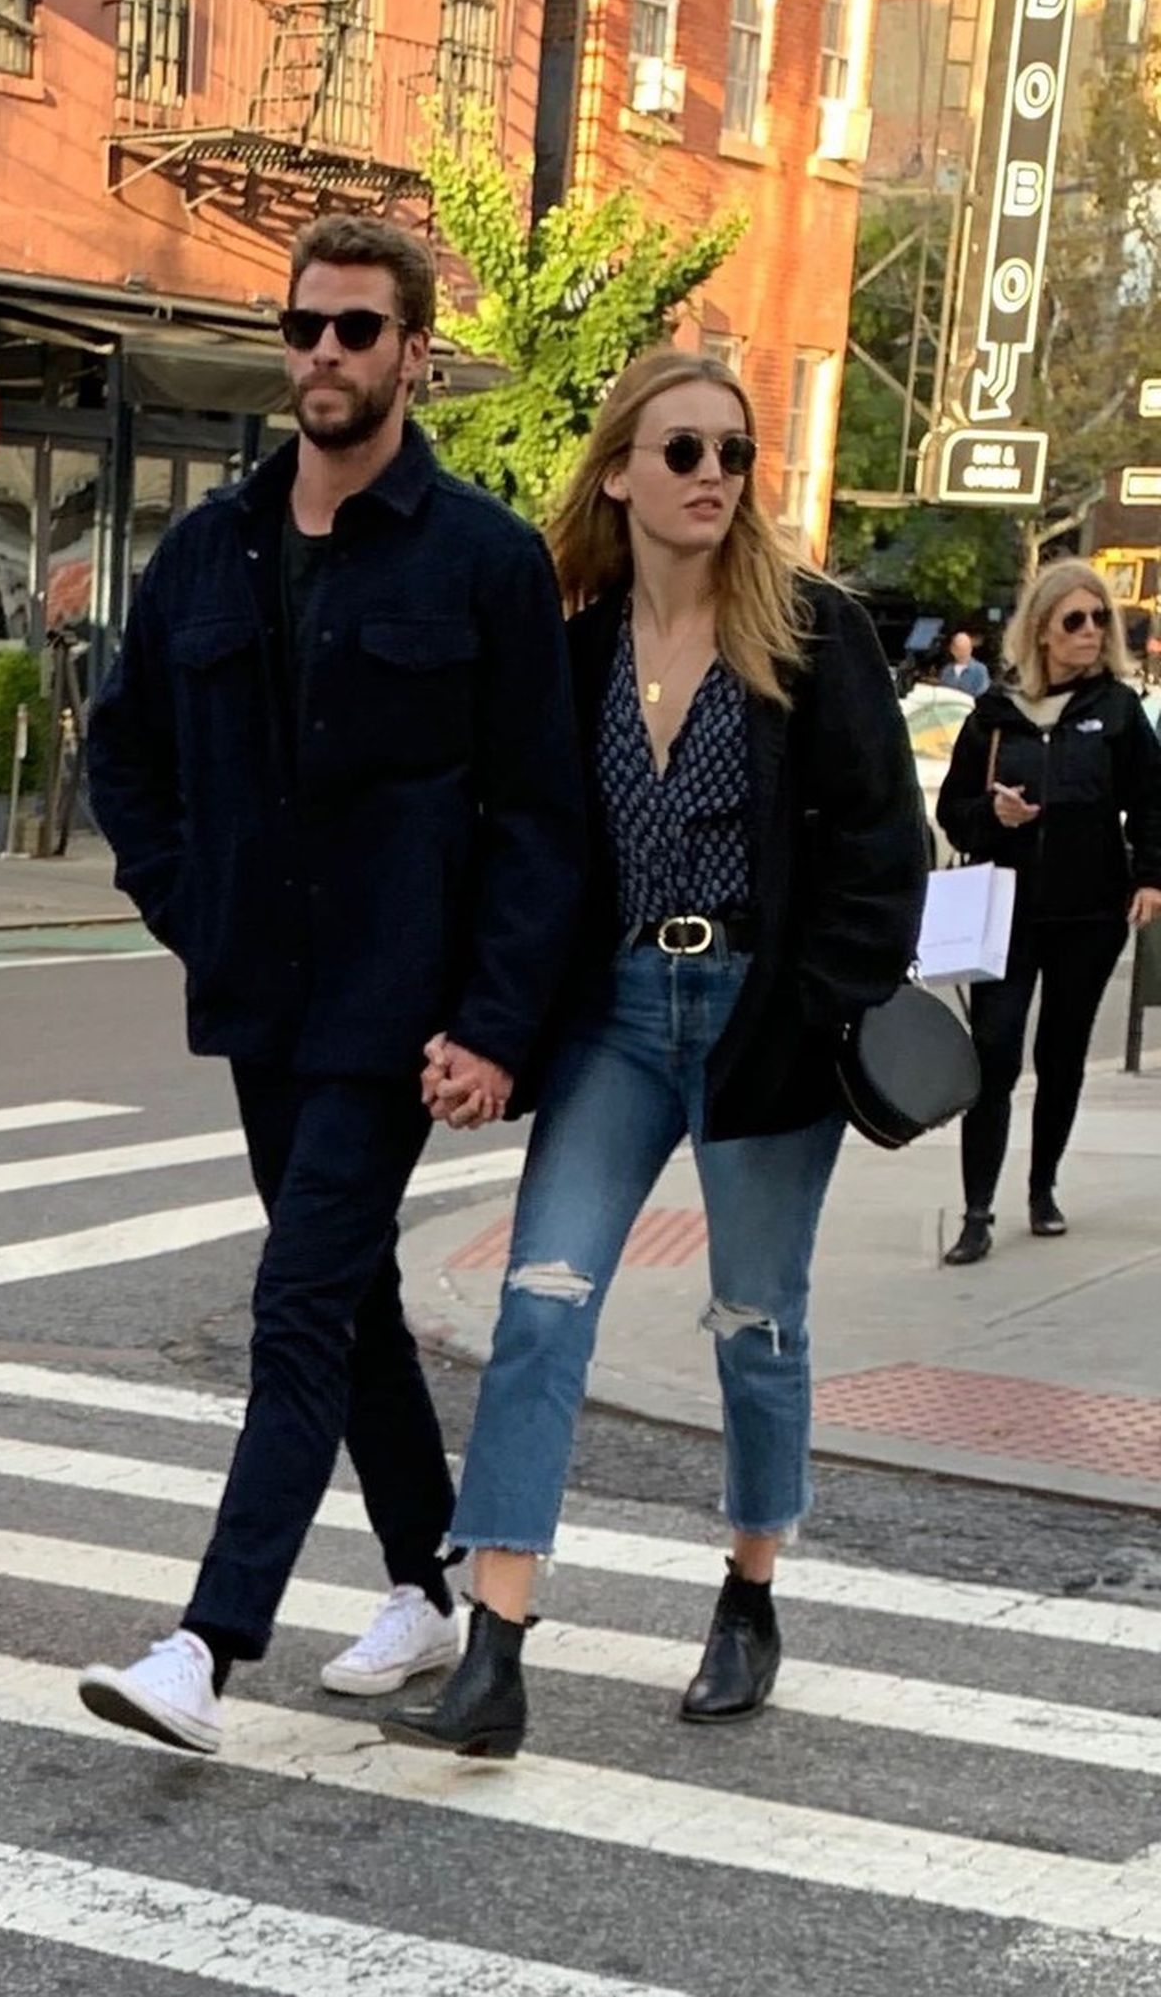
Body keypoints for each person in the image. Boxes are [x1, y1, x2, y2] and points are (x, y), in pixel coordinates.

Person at [77, 214, 584, 1754]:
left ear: (413, 353)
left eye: (358, 328)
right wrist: (193, 906)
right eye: (305, 325)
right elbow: (125, 750)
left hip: (395, 1009)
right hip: (261, 998)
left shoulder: (485, 560)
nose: (325, 353)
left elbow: (539, 820)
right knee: (350, 1297)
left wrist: (494, 1023)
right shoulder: (210, 547)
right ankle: (426, 1584)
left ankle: (206, 1644)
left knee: (297, 1302)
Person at [379, 347, 927, 1760]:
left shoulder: (810, 633)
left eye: (733, 453)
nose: (712, 476)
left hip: (762, 1012)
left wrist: (811, 1006)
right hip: (616, 1015)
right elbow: (529, 859)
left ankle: (750, 1593)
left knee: (756, 1320)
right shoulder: (572, 652)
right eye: (682, 450)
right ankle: (496, 1648)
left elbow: (884, 849)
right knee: (541, 1304)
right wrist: (495, 1028)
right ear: (619, 470)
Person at [937, 558, 1161, 1265]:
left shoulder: (1116, 710)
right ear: (1041, 631)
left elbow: (1152, 801)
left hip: (1090, 913)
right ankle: (977, 1210)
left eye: (1100, 620)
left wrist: (1150, 877)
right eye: (1075, 620)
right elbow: (953, 813)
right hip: (1006, 912)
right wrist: (994, 814)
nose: (1091, 631)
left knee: (1062, 1056)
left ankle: (1043, 1188)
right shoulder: (994, 715)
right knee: (993, 1054)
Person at [939, 630, 990, 699]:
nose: (961, 652)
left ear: (970, 649)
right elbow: (943, 692)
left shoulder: (980, 670)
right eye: (957, 648)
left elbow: (980, 694)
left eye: (964, 647)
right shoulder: (946, 670)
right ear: (952, 650)